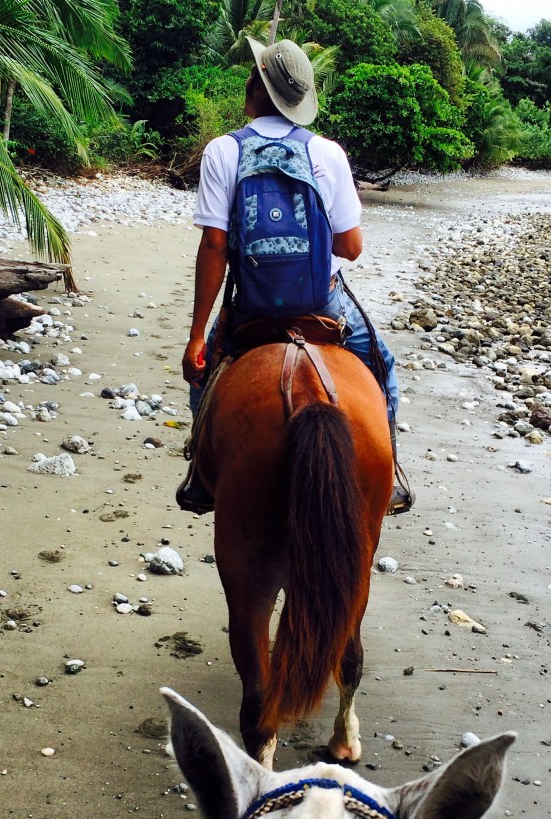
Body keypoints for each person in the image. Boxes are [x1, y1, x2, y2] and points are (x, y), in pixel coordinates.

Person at [177, 36, 413, 515]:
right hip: (321, 305)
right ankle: (392, 477)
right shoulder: (327, 153)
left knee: (204, 379)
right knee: (382, 366)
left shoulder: (224, 151)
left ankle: (198, 477)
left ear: (257, 88)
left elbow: (214, 246)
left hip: (252, 308)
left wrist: (197, 334)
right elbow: (351, 247)